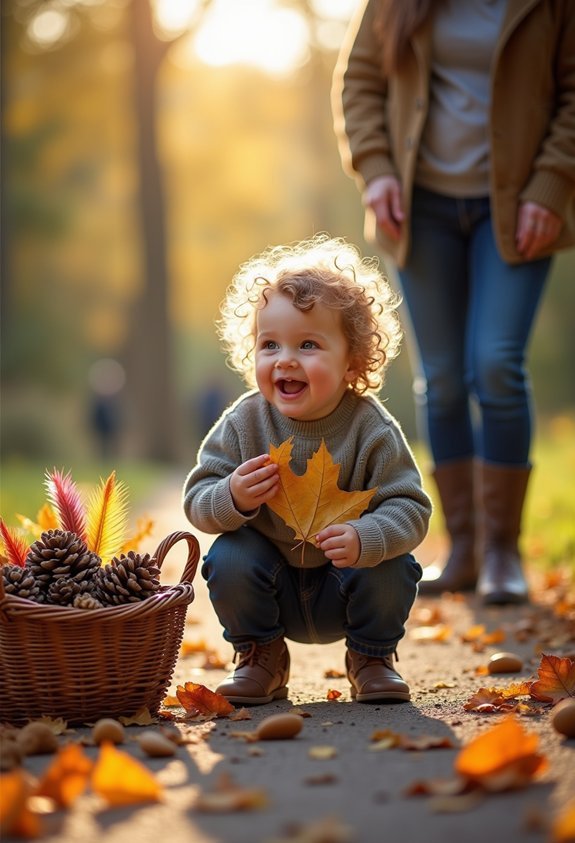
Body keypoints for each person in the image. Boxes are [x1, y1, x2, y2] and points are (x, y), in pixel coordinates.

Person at [332, 0, 575, 604]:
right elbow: (359, 81)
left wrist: (552, 183)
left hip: (516, 207)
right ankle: (463, 546)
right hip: (420, 209)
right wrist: (377, 169)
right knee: (440, 379)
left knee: (495, 363)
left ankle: (501, 550)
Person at [182, 234, 431, 705]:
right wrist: (231, 495)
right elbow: (198, 499)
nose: (285, 359)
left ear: (352, 361)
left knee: (393, 564)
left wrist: (369, 537)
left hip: (346, 583)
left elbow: (412, 507)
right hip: (269, 583)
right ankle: (261, 657)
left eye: (309, 344)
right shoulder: (244, 422)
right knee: (228, 555)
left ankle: (372, 658)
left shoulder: (370, 428)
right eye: (269, 344)